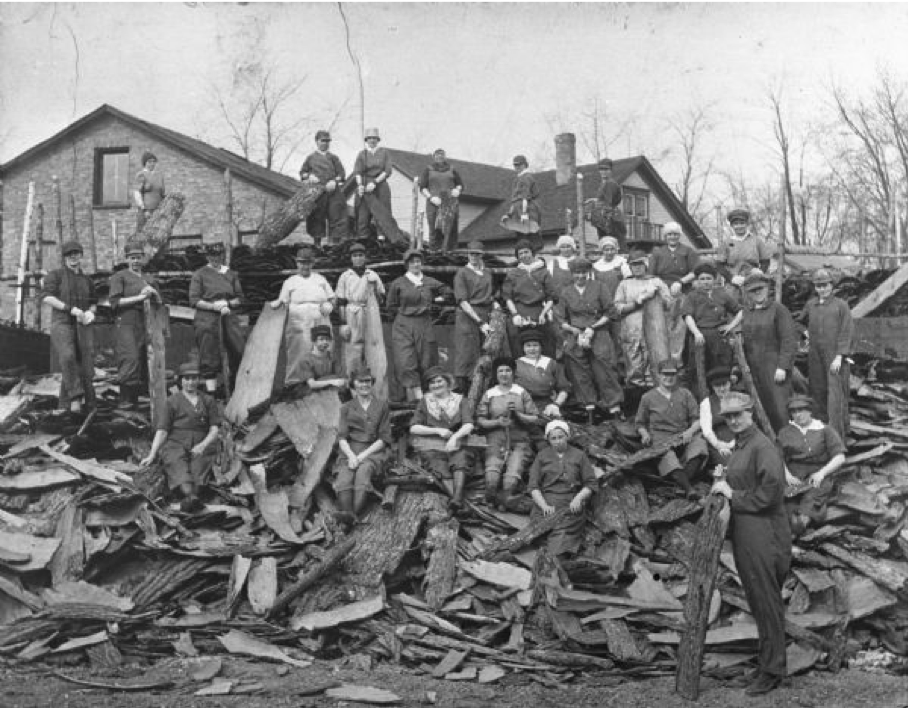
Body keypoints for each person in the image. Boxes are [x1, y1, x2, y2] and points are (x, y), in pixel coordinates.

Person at [710, 391, 791, 696]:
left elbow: (772, 493)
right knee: (758, 600)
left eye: (738, 414)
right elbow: (747, 479)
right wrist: (725, 478)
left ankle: (773, 671)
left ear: (751, 413)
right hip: (747, 530)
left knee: (767, 601)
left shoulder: (762, 446)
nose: (733, 420)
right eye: (728, 416)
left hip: (764, 531)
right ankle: (765, 664)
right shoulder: (742, 445)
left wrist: (733, 495)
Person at [140, 360, 220, 512]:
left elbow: (215, 428)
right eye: (187, 378)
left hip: (202, 443)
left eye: (194, 378)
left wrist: (203, 445)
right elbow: (162, 430)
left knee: (199, 470)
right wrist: (152, 454)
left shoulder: (208, 400)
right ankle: (189, 498)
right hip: (176, 443)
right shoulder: (172, 401)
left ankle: (191, 498)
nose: (190, 382)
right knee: (178, 466)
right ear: (181, 380)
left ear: (199, 379)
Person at [554, 257, 624, 418]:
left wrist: (593, 328)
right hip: (576, 334)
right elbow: (560, 318)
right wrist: (573, 330)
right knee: (580, 372)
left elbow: (610, 312)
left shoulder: (599, 287)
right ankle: (589, 408)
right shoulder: (566, 291)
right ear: (572, 274)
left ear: (588, 272)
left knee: (606, 369)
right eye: (576, 273)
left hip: (598, 331)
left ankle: (614, 408)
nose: (580, 276)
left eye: (583, 272)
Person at [635, 359, 709, 498]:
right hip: (661, 439)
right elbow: (640, 423)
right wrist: (644, 434)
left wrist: (690, 431)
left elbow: (697, 419)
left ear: (677, 375)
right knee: (667, 457)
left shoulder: (685, 394)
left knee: (699, 445)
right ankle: (689, 489)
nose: (669, 378)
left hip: (683, 436)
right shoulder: (648, 397)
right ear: (658, 375)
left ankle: (681, 482)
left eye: (672, 374)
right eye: (665, 374)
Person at [41, 240, 97, 414]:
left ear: (81, 255)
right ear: (64, 257)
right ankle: (75, 398)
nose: (73, 257)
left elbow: (94, 302)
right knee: (67, 356)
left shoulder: (87, 280)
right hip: (62, 322)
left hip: (82, 325)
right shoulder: (55, 275)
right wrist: (69, 308)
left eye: (76, 253)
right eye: (69, 254)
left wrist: (91, 313)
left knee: (83, 364)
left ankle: (67, 407)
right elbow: (46, 297)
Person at [777, 394, 846, 534]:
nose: (798, 415)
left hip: (817, 475)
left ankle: (802, 523)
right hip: (793, 477)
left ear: (809, 411)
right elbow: (778, 457)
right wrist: (787, 476)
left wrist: (822, 473)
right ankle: (789, 527)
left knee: (811, 501)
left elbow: (840, 457)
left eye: (801, 410)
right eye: (794, 411)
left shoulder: (825, 430)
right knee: (787, 504)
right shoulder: (785, 432)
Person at [386, 249, 449, 402]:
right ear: (407, 264)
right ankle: (416, 400)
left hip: (424, 323)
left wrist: (438, 300)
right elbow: (390, 306)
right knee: (406, 360)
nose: (416, 264)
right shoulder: (399, 283)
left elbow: (447, 291)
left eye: (418, 261)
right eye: (412, 262)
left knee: (427, 359)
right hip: (403, 325)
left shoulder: (428, 281)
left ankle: (429, 398)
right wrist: (405, 314)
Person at [475, 357, 539, 508]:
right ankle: (491, 498)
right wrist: (497, 422)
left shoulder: (521, 392)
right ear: (496, 374)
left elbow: (534, 417)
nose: (504, 374)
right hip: (495, 438)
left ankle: (506, 499)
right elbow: (480, 420)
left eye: (508, 370)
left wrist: (518, 414)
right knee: (492, 477)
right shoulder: (489, 394)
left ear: (513, 373)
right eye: (501, 371)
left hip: (519, 438)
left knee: (511, 477)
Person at [332, 367, 392, 527]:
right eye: (360, 381)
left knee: (363, 471)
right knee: (345, 474)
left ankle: (350, 517)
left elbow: (384, 438)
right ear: (353, 384)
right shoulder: (346, 407)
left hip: (374, 450)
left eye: (368, 381)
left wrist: (360, 457)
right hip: (350, 450)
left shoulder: (382, 406)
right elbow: (342, 437)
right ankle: (349, 517)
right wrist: (351, 456)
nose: (364, 385)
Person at [527, 420, 597, 556]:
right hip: (546, 506)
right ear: (548, 440)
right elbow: (533, 486)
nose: (557, 441)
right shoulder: (542, 456)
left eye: (561, 437)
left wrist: (578, 499)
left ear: (567, 436)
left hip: (569, 506)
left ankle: (553, 559)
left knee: (561, 536)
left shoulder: (579, 455)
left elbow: (591, 483)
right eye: (553, 438)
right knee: (537, 534)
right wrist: (544, 506)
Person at [410, 366, 475, 511]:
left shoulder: (460, 400)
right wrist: (438, 430)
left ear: (447, 382)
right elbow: (413, 427)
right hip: (433, 445)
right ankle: (460, 503)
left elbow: (469, 424)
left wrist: (455, 437)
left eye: (439, 381)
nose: (436, 385)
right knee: (437, 464)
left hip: (458, 442)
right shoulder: (425, 402)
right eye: (432, 383)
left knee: (461, 458)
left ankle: (457, 497)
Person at [799, 268, 853, 441]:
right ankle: (821, 433)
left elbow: (846, 332)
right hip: (815, 356)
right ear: (815, 287)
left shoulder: (840, 306)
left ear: (832, 285)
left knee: (835, 395)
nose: (822, 289)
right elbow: (799, 322)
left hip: (834, 357)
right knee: (817, 391)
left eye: (825, 285)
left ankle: (837, 437)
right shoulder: (811, 305)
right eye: (819, 286)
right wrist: (805, 333)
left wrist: (839, 356)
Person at [740, 270, 798, 433]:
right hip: (754, 369)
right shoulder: (747, 312)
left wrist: (782, 366)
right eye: (753, 290)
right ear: (748, 293)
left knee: (780, 408)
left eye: (760, 288)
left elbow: (789, 340)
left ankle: (788, 445)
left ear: (767, 288)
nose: (758, 293)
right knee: (761, 408)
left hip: (774, 367)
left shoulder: (778, 310)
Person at [271, 245, 335, 386]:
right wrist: (277, 303)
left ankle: (322, 383)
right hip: (298, 321)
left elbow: (332, 298)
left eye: (307, 262)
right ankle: (294, 385)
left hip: (320, 318)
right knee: (297, 352)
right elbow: (281, 301)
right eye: (301, 262)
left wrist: (330, 305)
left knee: (322, 350)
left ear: (312, 263)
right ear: (296, 263)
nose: (304, 266)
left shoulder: (320, 279)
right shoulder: (290, 282)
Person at [108, 242, 162, 410]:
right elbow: (115, 302)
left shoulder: (149, 279)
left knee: (145, 359)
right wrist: (140, 297)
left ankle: (140, 402)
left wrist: (153, 293)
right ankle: (126, 401)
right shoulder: (120, 276)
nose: (136, 261)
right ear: (127, 259)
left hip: (146, 323)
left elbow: (160, 302)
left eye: (138, 258)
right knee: (130, 357)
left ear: (143, 258)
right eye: (132, 258)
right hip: (126, 322)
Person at [188, 242, 246, 396]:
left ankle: (235, 389)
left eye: (218, 255)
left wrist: (226, 303)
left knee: (238, 349)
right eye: (212, 255)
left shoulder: (231, 274)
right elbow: (194, 300)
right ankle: (211, 393)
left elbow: (240, 298)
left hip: (228, 315)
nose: (216, 258)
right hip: (207, 317)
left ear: (223, 255)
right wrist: (214, 306)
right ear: (207, 256)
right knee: (208, 353)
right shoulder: (199, 274)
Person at [613, 249, 672, 387]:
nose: (637, 267)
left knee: (654, 360)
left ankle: (655, 390)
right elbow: (617, 308)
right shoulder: (624, 284)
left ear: (646, 265)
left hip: (654, 331)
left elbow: (669, 304)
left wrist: (657, 294)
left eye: (640, 264)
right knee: (633, 362)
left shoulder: (656, 281)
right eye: (634, 265)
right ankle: (635, 392)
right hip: (632, 330)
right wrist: (637, 302)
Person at [682, 263, 742, 379]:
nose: (705, 282)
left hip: (719, 337)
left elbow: (740, 311)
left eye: (709, 278)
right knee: (699, 370)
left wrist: (730, 326)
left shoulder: (722, 294)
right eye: (702, 279)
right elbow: (687, 316)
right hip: (700, 337)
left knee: (720, 369)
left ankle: (721, 394)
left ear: (714, 280)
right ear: (697, 281)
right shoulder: (692, 296)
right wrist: (696, 333)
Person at [650, 222, 699, 363]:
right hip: (662, 293)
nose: (672, 237)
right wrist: (663, 289)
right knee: (663, 327)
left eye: (675, 234)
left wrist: (681, 282)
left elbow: (695, 271)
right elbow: (651, 275)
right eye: (670, 234)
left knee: (679, 328)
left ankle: (677, 362)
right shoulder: (658, 252)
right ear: (665, 236)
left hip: (682, 292)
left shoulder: (688, 251)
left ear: (679, 236)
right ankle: (662, 361)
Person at [335, 242, 385, 377]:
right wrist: (343, 323)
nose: (358, 258)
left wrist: (374, 287)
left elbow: (381, 298)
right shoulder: (346, 276)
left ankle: (374, 382)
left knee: (373, 345)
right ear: (351, 258)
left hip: (370, 312)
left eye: (361, 255)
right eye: (355, 255)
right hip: (352, 313)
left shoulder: (372, 274)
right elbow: (341, 301)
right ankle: (352, 382)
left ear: (365, 257)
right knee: (353, 347)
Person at [453, 240, 496, 392]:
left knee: (486, 352)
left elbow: (491, 294)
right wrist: (480, 322)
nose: (474, 257)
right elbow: (463, 301)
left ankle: (483, 390)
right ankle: (464, 392)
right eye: (471, 254)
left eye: (477, 254)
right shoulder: (462, 273)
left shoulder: (487, 273)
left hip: (486, 313)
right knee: (467, 353)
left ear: (482, 255)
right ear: (467, 255)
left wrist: (494, 307)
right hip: (468, 315)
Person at [503, 239, 557, 358]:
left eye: (526, 252)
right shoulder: (513, 274)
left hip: (539, 311)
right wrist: (515, 314)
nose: (524, 256)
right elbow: (508, 298)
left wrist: (544, 313)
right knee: (518, 344)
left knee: (545, 344)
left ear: (532, 252)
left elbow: (551, 298)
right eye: (520, 254)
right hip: (519, 311)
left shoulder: (544, 272)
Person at [299, 130, 348, 246]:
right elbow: (302, 173)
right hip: (317, 192)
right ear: (316, 142)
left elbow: (342, 174)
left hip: (333, 192)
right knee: (316, 217)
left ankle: (335, 246)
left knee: (337, 215)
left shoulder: (334, 158)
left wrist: (335, 181)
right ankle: (317, 245)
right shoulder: (310, 158)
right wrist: (309, 176)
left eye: (327, 141)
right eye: (322, 141)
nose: (325, 143)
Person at [514, 328, 571, 425]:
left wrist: (556, 405)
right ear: (523, 348)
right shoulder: (516, 365)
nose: (532, 349)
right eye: (528, 346)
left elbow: (564, 388)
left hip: (546, 405)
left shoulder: (551, 363)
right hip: (523, 405)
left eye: (535, 345)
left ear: (541, 347)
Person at [419, 148, 464, 252]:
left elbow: (460, 184)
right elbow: (422, 187)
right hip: (434, 203)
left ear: (445, 156)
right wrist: (430, 197)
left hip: (450, 203)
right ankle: (434, 251)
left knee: (451, 228)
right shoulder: (428, 169)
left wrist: (457, 190)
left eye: (442, 155)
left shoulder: (452, 169)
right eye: (437, 155)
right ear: (434, 157)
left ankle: (451, 251)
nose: (440, 157)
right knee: (434, 228)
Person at [353, 127, 394, 240]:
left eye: (374, 138)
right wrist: (360, 185)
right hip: (365, 185)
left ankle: (382, 239)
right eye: (370, 138)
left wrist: (375, 182)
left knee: (382, 213)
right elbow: (357, 171)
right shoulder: (362, 154)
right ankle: (363, 239)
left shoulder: (384, 153)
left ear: (378, 140)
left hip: (380, 185)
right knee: (363, 213)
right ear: (366, 140)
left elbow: (387, 171)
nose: (372, 140)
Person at [719, 209, 774, 286]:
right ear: (732, 225)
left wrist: (760, 271)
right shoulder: (726, 243)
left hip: (753, 280)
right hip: (733, 282)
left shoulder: (756, 240)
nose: (739, 226)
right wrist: (731, 278)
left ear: (747, 224)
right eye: (736, 224)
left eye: (742, 223)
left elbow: (765, 260)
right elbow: (719, 265)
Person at [502, 154, 542, 251]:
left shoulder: (527, 177)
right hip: (517, 210)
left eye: (519, 165)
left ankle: (534, 253)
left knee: (530, 233)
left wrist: (524, 213)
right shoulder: (517, 179)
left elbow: (525, 197)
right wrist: (509, 214)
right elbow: (514, 200)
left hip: (528, 209)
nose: (517, 167)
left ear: (525, 165)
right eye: (515, 165)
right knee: (521, 235)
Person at [700, 366, 737, 465]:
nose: (722, 388)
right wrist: (718, 445)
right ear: (712, 387)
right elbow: (707, 430)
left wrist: (736, 442)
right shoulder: (706, 403)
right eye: (717, 386)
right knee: (732, 465)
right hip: (717, 443)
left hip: (740, 440)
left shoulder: (739, 398)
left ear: (730, 383)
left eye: (724, 384)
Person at [297, 325, 347, 397]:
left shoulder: (332, 357)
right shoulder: (306, 360)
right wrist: (332, 381)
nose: (325, 342)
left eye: (327, 339)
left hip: (331, 393)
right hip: (311, 396)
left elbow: (343, 378)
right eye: (321, 339)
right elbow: (312, 384)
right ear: (314, 341)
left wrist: (341, 381)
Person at [588, 158, 627, 248]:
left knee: (610, 244)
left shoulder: (610, 184)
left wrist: (596, 207)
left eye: (606, 169)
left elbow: (607, 205)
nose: (603, 172)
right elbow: (604, 200)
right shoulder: (604, 184)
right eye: (601, 169)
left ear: (611, 170)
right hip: (605, 219)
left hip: (611, 220)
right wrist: (594, 200)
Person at [133, 150, 165, 235]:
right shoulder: (141, 175)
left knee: (158, 235)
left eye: (154, 162)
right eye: (149, 162)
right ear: (145, 163)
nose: (152, 164)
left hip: (158, 211)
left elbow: (162, 195)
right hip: (146, 211)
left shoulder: (159, 176)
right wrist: (144, 210)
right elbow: (137, 194)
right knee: (144, 235)